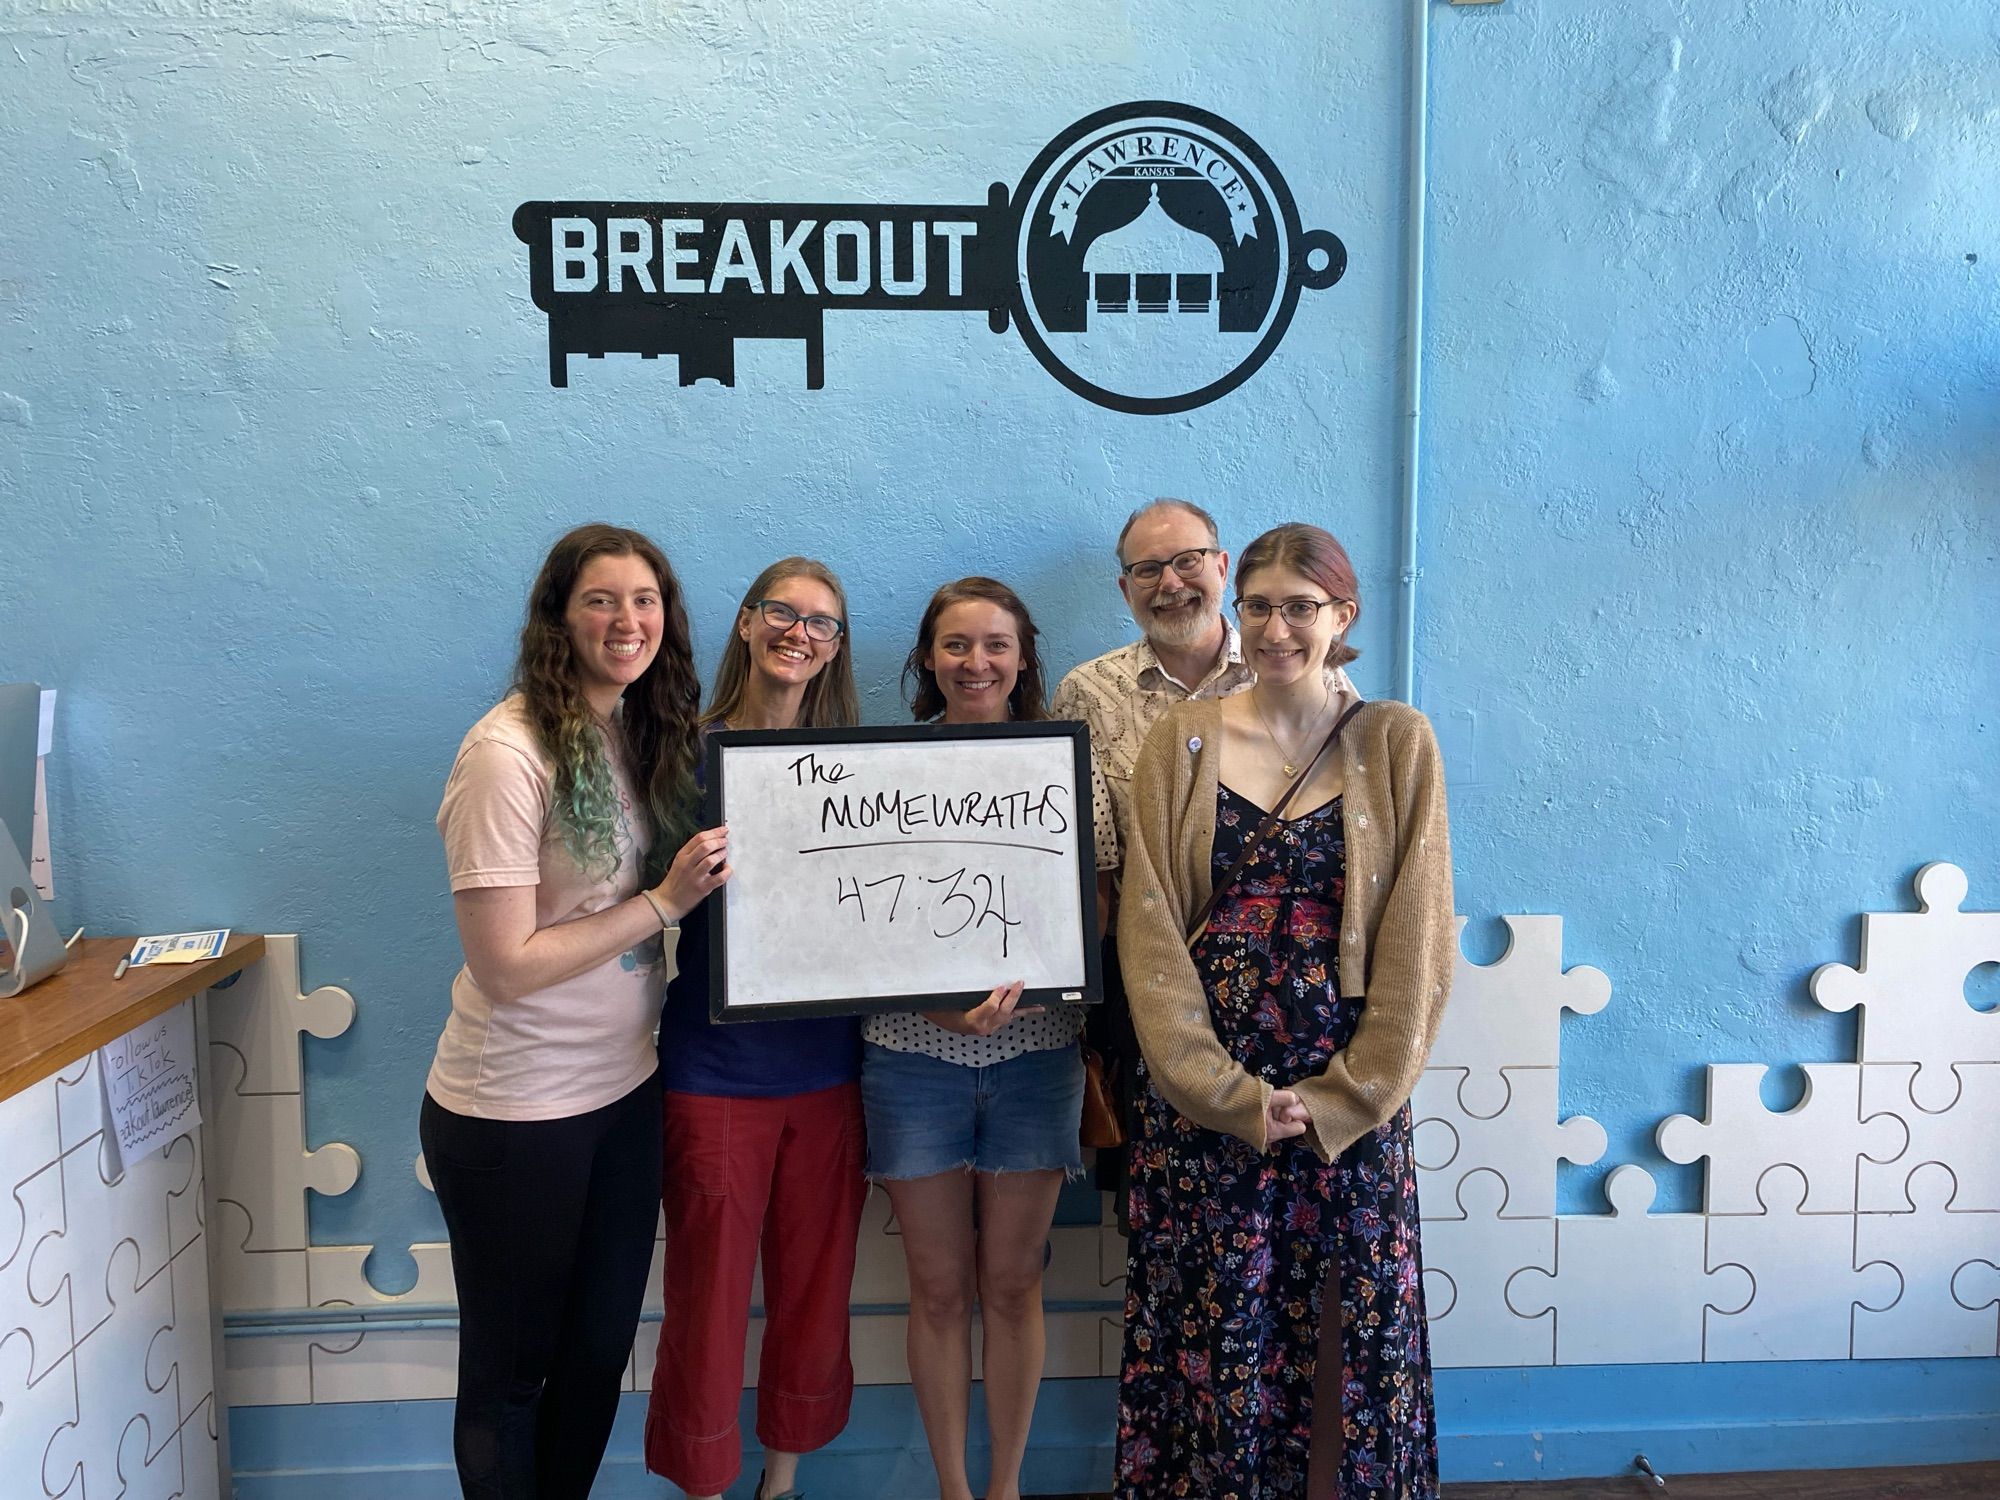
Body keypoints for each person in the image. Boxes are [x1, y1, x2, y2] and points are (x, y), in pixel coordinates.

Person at [1113, 523, 1454, 1499]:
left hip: (1344, 1103)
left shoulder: (1395, 742)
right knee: (1214, 1328)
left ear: (1341, 617)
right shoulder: (1176, 744)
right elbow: (1150, 936)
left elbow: (1418, 941)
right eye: (1256, 605)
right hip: (1208, 1102)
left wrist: (1350, 1094)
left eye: (1298, 607)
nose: (1273, 628)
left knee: (1349, 1335)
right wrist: (1215, 1090)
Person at [420, 523, 731, 1499]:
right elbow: (505, 964)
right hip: (514, 1114)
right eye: (601, 600)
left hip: (623, 1093)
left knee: (597, 1357)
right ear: (559, 617)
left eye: (644, 600)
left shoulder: (627, 732)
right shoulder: (505, 754)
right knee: (514, 1377)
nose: (626, 620)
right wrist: (662, 902)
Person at [861, 577, 1116, 1500]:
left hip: (1038, 1056)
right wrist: (938, 1007)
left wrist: (1056, 961)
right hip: (908, 1058)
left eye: (996, 645)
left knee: (1013, 1284)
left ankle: (1004, 1488)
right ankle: (952, 1492)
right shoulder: (881, 772)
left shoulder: (1066, 767)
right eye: (957, 645)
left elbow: (1094, 898)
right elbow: (858, 923)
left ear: (1023, 656)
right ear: (928, 658)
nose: (977, 663)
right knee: (937, 1289)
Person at [1051, 498, 1353, 1206]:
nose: (1171, 582)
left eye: (1188, 560)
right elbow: (1090, 871)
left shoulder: (1307, 670)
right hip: (1154, 987)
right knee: (1174, 1201)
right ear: (1125, 589)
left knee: (1302, 1199)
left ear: (1222, 567)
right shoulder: (1085, 694)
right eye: (1148, 568)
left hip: (1300, 993)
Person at [646, 558, 867, 1500]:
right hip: (713, 1072)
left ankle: (781, 1482)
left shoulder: (865, 771)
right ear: (745, 623)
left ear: (837, 646)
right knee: (707, 1302)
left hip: (830, 1071)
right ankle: (703, 1484)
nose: (799, 632)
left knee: (816, 1296)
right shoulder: (681, 760)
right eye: (782, 611)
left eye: (821, 622)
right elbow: (641, 905)